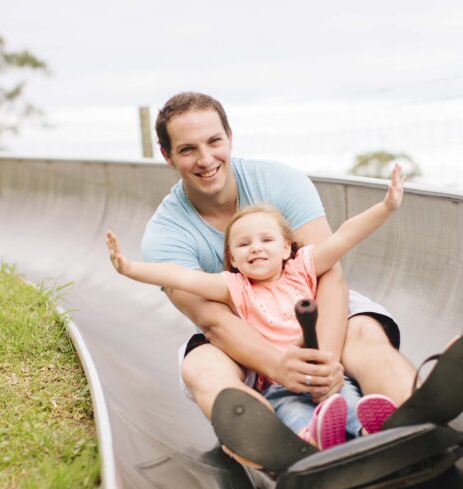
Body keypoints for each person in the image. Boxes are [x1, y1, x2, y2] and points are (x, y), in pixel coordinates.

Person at [139, 92, 419, 441]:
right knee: (201, 367)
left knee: (365, 333)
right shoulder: (165, 235)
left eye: (214, 141)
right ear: (167, 156)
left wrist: (324, 361)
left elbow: (328, 274)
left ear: (229, 137)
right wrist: (278, 366)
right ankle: (273, 443)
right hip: (240, 331)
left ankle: (413, 413)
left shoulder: (280, 182)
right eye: (187, 149)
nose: (206, 159)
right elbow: (213, 321)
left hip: (309, 305)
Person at [107, 164, 406, 448]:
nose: (256, 248)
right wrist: (129, 268)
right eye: (243, 244)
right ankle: (311, 441)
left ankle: (367, 430)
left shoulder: (303, 268)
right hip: (279, 384)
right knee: (292, 413)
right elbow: (181, 276)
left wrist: (386, 207)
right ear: (233, 259)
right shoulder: (234, 288)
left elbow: (344, 236)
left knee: (345, 399)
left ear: (285, 248)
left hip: (324, 377)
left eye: (266, 240)